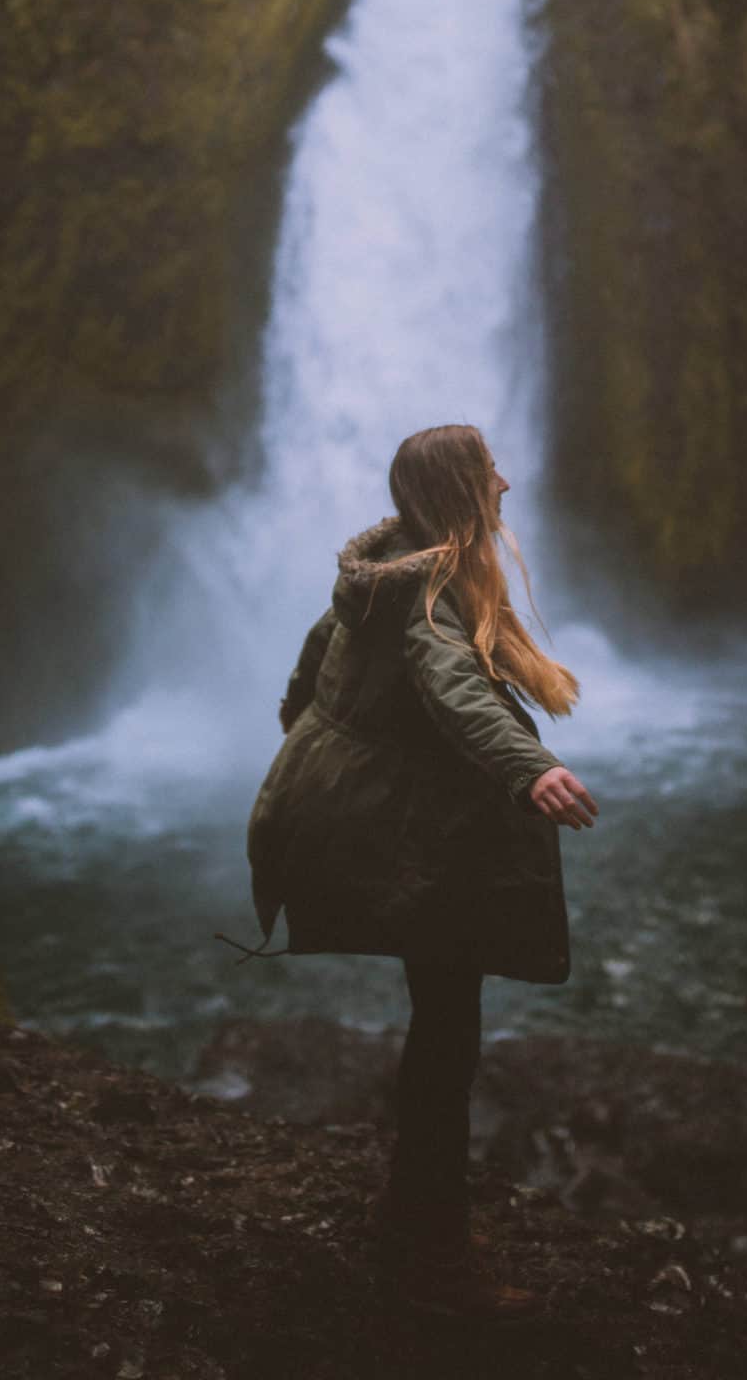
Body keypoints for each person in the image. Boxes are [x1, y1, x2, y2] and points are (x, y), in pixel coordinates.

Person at [245, 423, 598, 1318]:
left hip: (364, 815)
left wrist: (311, 736)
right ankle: (430, 1254)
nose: (507, 485)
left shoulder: (381, 571)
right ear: (457, 491)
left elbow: (309, 667)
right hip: (405, 835)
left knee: (440, 1023)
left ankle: (416, 1223)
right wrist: (530, 769)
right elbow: (454, 684)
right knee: (447, 1033)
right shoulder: (428, 590)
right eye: (490, 473)